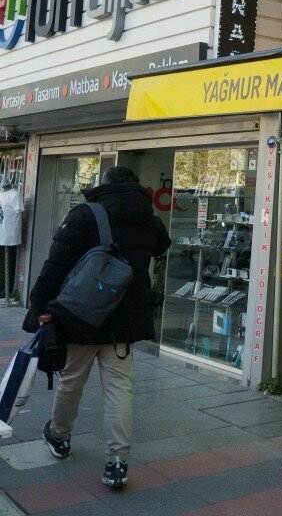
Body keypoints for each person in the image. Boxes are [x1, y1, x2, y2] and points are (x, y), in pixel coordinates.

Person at [25, 166, 170, 488]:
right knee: (120, 389)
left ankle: (60, 437)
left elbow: (56, 264)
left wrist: (38, 305)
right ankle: (117, 461)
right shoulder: (149, 218)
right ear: (135, 188)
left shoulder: (84, 215)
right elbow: (162, 245)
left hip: (81, 316)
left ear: (104, 185)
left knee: (70, 380)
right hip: (124, 321)